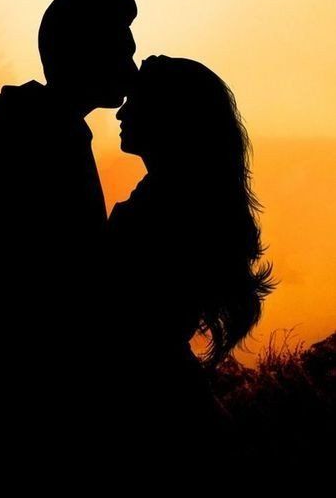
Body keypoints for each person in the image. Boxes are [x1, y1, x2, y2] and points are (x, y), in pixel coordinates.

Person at [0, 0, 138, 463]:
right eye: (122, 52)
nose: (131, 71)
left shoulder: (43, 132)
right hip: (34, 404)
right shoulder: (42, 141)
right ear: (84, 54)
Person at [103, 55, 278, 477]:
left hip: (154, 413)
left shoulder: (165, 211)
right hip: (171, 402)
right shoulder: (184, 202)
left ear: (172, 116)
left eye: (137, 102)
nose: (122, 112)